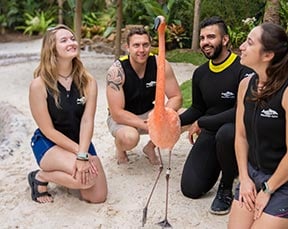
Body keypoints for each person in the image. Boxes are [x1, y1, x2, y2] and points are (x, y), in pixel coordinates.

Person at [228, 22, 288, 228]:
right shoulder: (245, 85)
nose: (241, 47)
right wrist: (245, 179)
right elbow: (240, 136)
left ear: (267, 55)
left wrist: (268, 190)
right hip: (253, 173)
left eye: (249, 42)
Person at [179, 16, 255, 215]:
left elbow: (242, 110)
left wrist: (202, 122)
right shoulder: (200, 73)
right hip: (211, 131)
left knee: (226, 133)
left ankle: (226, 186)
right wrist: (172, 121)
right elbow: (197, 108)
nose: (205, 42)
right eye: (203, 38)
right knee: (191, 189)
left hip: (238, 133)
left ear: (225, 39)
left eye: (211, 36)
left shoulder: (243, 69)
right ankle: (225, 164)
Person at [28, 24, 107, 204]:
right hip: (49, 143)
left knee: (97, 197)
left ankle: (64, 171)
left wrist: (82, 152)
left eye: (72, 38)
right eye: (64, 41)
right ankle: (40, 176)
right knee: (81, 179)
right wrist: (80, 156)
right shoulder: (39, 85)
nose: (71, 43)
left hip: (79, 143)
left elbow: (87, 121)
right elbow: (47, 130)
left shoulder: (88, 81)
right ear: (52, 49)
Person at [106, 27, 182, 165]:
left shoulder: (161, 64)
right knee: (130, 138)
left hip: (149, 112)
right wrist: (148, 125)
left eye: (145, 45)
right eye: (136, 45)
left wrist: (161, 115)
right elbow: (117, 113)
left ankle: (150, 147)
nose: (141, 50)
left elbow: (176, 97)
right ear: (127, 47)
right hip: (124, 119)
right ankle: (120, 147)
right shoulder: (116, 71)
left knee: (184, 115)